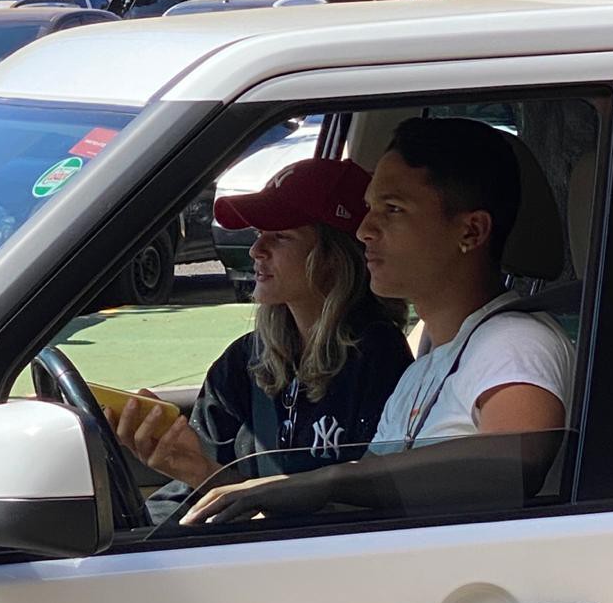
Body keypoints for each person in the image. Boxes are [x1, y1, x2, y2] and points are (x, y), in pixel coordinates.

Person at [182, 116, 576, 524]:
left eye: (393, 209)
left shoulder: (515, 342)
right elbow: (358, 508)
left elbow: (513, 463)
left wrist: (327, 480)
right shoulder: (423, 372)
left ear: (471, 232)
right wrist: (229, 485)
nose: (365, 229)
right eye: (370, 208)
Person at [108, 157, 413, 518]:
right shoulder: (245, 360)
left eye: (280, 236)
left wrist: (203, 474)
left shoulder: (378, 361)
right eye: (257, 234)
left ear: (335, 256)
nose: (256, 250)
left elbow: (353, 520)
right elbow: (189, 496)